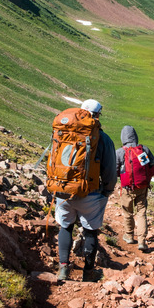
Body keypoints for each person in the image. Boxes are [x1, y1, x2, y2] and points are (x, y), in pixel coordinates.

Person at [54, 99, 116, 282]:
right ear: (97, 116)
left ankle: (63, 268)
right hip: (90, 192)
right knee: (90, 231)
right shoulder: (102, 138)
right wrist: (107, 190)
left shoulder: (64, 131)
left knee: (65, 226)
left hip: (63, 189)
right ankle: (88, 272)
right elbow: (109, 170)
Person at [115, 125, 154, 251]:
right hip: (142, 187)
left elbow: (114, 171)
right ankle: (142, 241)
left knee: (128, 212)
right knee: (141, 212)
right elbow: (153, 166)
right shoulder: (143, 150)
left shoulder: (120, 152)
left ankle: (129, 236)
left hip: (127, 188)